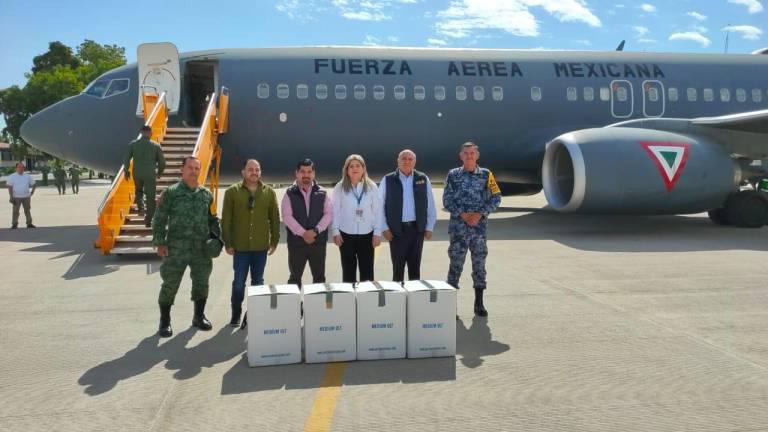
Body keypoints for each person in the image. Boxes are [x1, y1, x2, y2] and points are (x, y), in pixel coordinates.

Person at [152, 156, 219, 338]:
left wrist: (217, 240)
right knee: (170, 285)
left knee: (201, 283)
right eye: (190, 168)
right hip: (176, 249)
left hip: (200, 250)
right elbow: (159, 219)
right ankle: (164, 321)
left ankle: (198, 316)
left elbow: (212, 221)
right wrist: (160, 242)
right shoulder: (171, 193)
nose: (194, 171)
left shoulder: (206, 195)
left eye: (197, 168)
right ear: (182, 170)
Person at [443, 142, 501, 317]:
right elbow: (447, 199)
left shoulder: (486, 174)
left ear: (477, 155)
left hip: (479, 230)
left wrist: (480, 214)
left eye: (472, 153)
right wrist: (463, 215)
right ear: (461, 156)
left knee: (479, 266)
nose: (469, 156)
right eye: (466, 153)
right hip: (458, 230)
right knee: (455, 266)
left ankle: (479, 303)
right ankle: (451, 307)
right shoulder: (453, 175)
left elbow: (496, 197)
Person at [221, 159, 280, 327]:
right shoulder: (232, 192)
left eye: (257, 169)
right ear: (243, 172)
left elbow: (274, 219)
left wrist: (274, 240)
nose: (254, 172)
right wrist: (228, 242)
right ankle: (236, 312)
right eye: (250, 169)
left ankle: (254, 313)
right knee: (239, 283)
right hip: (240, 248)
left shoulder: (269, 192)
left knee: (258, 283)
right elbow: (226, 220)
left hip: (261, 247)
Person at [378, 149, 437, 282]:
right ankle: (398, 300)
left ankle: (414, 301)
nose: (407, 161)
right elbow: (378, 206)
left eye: (410, 159)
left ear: (414, 162)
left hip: (417, 230)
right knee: (398, 269)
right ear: (398, 161)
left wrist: (429, 227)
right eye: (403, 158)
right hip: (396, 231)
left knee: (415, 269)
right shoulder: (388, 179)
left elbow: (430, 204)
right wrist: (384, 228)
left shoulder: (422, 178)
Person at [331, 154, 382, 283]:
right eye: (351, 166)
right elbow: (335, 211)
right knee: (348, 271)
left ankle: (366, 300)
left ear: (363, 169)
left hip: (367, 235)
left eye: (358, 165)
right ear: (346, 170)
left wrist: (377, 233)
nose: (355, 168)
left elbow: (377, 211)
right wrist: (335, 231)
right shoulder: (340, 187)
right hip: (346, 235)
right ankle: (349, 301)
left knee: (367, 272)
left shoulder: (372, 187)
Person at [282, 158, 332, 287]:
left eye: (309, 172)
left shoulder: (323, 192)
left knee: (319, 278)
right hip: (297, 243)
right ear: (296, 173)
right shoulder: (289, 193)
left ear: (313, 174)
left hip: (318, 242)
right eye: (302, 172)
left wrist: (315, 231)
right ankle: (295, 306)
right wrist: (303, 233)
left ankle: (317, 306)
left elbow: (329, 214)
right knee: (295, 278)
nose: (306, 175)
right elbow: (287, 217)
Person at [124, 125, 165, 227]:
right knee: (151, 197)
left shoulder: (133, 144)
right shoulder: (156, 146)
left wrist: (126, 171)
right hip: (150, 173)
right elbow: (162, 162)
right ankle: (148, 220)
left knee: (138, 191)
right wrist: (159, 172)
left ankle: (141, 208)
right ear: (151, 133)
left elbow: (126, 159)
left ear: (141, 133)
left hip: (137, 172)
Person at [7, 162, 36, 229]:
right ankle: (14, 224)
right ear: (16, 168)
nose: (21, 169)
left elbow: (34, 184)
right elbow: (10, 187)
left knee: (27, 210)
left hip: (26, 197)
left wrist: (32, 192)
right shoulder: (12, 176)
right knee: (15, 211)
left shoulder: (27, 176)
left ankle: (29, 223)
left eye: (22, 167)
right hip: (16, 197)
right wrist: (11, 197)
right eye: (19, 167)